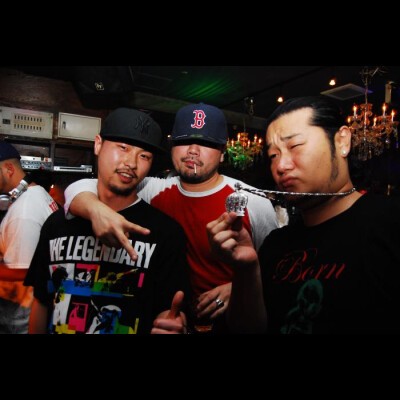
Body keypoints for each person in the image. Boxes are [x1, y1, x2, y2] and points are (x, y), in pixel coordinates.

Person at [63, 103, 280, 333]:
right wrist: (95, 209)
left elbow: (275, 268)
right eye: (184, 141)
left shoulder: (252, 201)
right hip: (171, 320)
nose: (193, 150)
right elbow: (86, 186)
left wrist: (239, 286)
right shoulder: (152, 189)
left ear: (222, 152)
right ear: (172, 146)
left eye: (206, 143)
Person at [206, 96, 400, 334]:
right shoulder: (275, 244)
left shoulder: (389, 222)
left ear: (342, 141)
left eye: (295, 146)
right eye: (273, 155)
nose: (281, 166)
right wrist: (246, 269)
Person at [24, 108, 190, 334]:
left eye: (144, 156)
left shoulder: (165, 233)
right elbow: (42, 301)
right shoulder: (57, 224)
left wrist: (172, 324)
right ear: (98, 145)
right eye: (123, 148)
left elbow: (168, 311)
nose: (131, 163)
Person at [0, 141, 59, 334]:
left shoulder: (24, 212)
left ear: (9, 169)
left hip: (21, 323)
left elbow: (23, 275)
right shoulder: (37, 194)